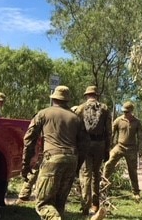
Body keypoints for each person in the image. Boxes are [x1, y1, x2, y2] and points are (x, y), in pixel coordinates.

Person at [22, 85, 90, 220]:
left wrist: (26, 163)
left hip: (53, 160)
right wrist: (77, 166)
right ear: (67, 100)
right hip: (71, 160)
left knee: (43, 204)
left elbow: (29, 139)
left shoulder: (43, 113)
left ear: (54, 98)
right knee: (59, 204)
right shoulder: (76, 118)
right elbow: (85, 144)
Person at [73, 86, 111, 215]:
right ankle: (95, 205)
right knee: (96, 174)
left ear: (87, 96)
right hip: (100, 143)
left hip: (85, 144)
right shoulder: (105, 108)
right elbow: (109, 131)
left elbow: (74, 126)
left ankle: (85, 205)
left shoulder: (80, 108)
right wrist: (107, 148)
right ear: (96, 96)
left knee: (85, 174)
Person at [101, 101, 142, 202]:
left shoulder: (137, 122)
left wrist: (141, 148)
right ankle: (103, 186)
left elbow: (141, 137)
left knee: (132, 170)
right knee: (108, 164)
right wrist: (108, 146)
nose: (125, 113)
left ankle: (136, 192)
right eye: (124, 111)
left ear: (131, 111)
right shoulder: (118, 120)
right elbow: (111, 133)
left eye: (127, 112)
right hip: (119, 146)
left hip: (132, 148)